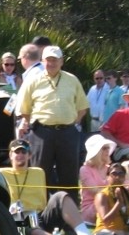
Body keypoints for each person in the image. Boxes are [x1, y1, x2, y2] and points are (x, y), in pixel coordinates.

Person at [0, 139, 104, 235]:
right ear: (10, 155)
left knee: (62, 196)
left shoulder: (39, 172)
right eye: (17, 152)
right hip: (18, 219)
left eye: (24, 152)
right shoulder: (1, 173)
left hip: (39, 216)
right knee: (32, 227)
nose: (20, 155)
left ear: (29, 155)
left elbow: (44, 201)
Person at [16, 46, 89, 199]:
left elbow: (82, 107)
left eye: (55, 60)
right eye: (48, 60)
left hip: (67, 133)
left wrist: (73, 123)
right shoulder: (33, 81)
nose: (51, 63)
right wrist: (32, 124)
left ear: (61, 61)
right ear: (43, 61)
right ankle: (41, 217)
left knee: (69, 177)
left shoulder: (72, 79)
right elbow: (23, 109)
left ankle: (70, 219)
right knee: (40, 175)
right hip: (41, 134)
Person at [79, 134, 115, 224]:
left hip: (111, 202)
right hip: (91, 207)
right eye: (104, 148)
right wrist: (115, 191)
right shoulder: (85, 170)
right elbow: (95, 190)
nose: (108, 150)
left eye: (108, 148)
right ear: (96, 152)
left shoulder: (110, 168)